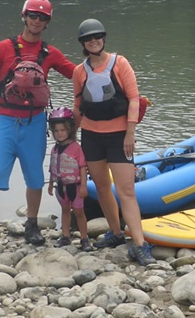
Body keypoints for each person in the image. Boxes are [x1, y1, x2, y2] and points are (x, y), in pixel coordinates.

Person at [0, 0, 76, 255]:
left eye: (42, 17)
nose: (37, 21)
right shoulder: (4, 48)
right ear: (24, 16)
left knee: (35, 176)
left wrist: (105, 65)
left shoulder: (50, 53)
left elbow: (77, 74)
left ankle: (32, 225)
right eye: (33, 15)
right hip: (4, 121)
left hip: (35, 122)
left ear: (47, 22)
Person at [72, 18, 156, 266]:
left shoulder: (120, 63)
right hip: (91, 136)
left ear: (104, 38)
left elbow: (132, 99)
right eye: (89, 38)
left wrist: (130, 132)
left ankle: (140, 245)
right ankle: (116, 233)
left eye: (97, 37)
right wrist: (72, 139)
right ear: (83, 43)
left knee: (127, 190)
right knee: (101, 187)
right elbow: (78, 106)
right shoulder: (79, 72)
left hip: (119, 136)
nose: (94, 41)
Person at [46, 107, 93, 251]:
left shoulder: (76, 148)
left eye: (62, 130)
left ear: (69, 130)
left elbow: (82, 167)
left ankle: (84, 238)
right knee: (65, 210)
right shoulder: (55, 149)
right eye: (56, 131)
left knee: (79, 212)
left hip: (76, 186)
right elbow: (53, 166)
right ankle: (65, 236)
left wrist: (84, 186)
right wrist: (51, 184)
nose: (59, 134)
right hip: (61, 186)